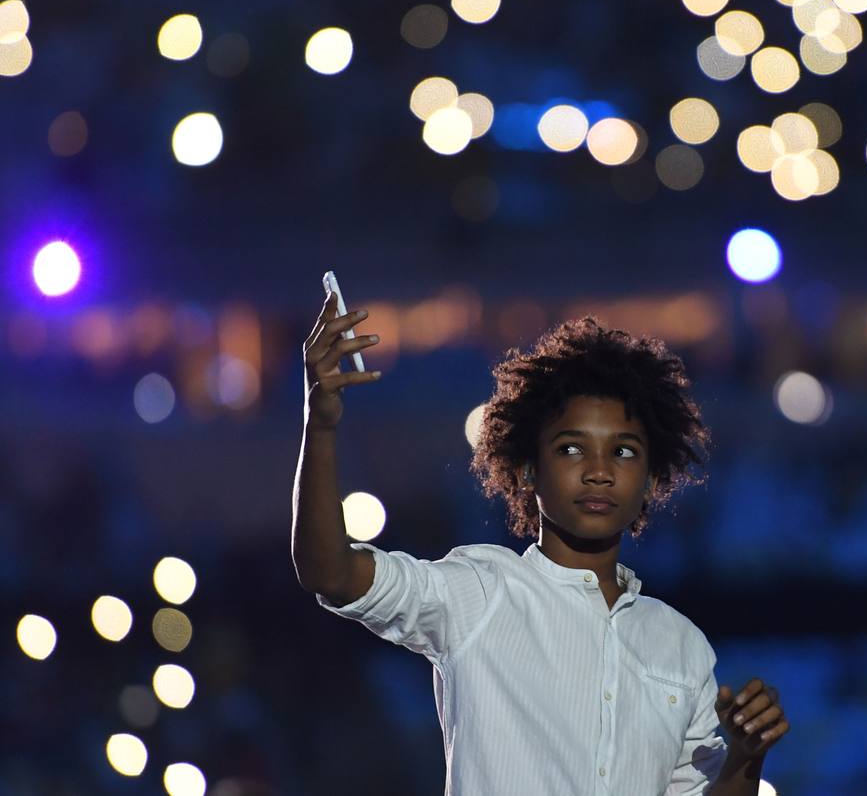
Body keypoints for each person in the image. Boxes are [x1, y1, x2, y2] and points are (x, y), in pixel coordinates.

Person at [291, 291, 790, 795]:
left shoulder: (682, 647)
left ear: (650, 477)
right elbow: (330, 573)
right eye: (571, 448)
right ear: (527, 469)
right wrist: (322, 424)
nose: (598, 471)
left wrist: (746, 758)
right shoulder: (481, 594)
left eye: (623, 451)